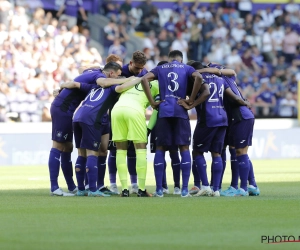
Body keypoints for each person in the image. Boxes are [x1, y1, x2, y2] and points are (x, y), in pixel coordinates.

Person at [61, 62, 141, 197]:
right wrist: (139, 78)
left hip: (78, 117)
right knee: (93, 153)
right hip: (91, 118)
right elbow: (122, 87)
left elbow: (76, 84)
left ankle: (81, 189)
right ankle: (93, 190)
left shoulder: (94, 86)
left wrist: (61, 86)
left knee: (82, 154)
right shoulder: (113, 87)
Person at [179, 62, 251, 197]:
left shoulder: (198, 78)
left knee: (197, 152)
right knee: (216, 153)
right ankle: (216, 189)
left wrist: (191, 103)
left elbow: (205, 93)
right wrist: (244, 102)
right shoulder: (220, 79)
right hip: (222, 119)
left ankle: (205, 186)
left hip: (208, 119)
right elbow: (234, 97)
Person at [141, 50, 203, 197]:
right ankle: (184, 190)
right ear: (181, 60)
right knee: (184, 148)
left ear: (169, 59)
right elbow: (199, 77)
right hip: (181, 110)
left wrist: (152, 102)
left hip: (164, 110)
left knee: (160, 149)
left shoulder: (160, 68)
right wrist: (191, 100)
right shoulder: (187, 68)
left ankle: (158, 191)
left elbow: (144, 79)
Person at [106, 51, 148, 195]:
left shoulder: (144, 73)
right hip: (116, 111)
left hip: (133, 112)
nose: (140, 71)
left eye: (142, 68)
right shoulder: (119, 71)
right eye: (137, 68)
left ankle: (134, 184)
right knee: (114, 151)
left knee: (132, 151)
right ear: (130, 64)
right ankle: (112, 183)